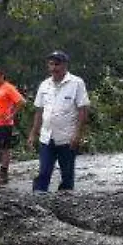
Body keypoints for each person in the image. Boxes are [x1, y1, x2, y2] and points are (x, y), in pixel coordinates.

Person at [27, 51, 90, 192]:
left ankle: (65, 199)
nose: (54, 68)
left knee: (67, 174)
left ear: (65, 65)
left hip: (67, 138)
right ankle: (38, 198)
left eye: (57, 64)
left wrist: (77, 134)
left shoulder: (76, 83)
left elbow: (83, 110)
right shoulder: (44, 85)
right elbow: (39, 111)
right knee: (44, 171)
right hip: (47, 137)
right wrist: (33, 134)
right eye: (51, 64)